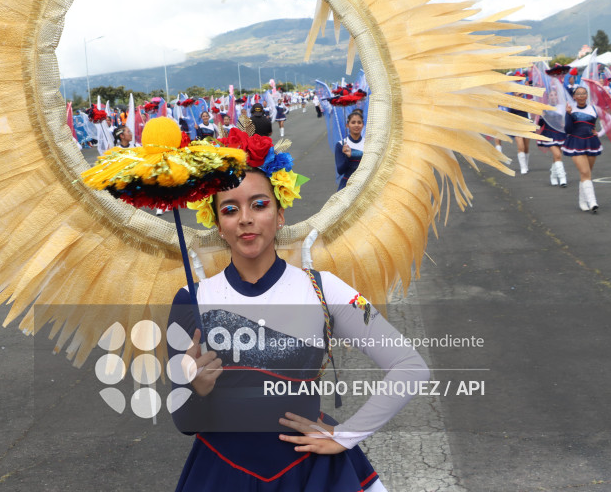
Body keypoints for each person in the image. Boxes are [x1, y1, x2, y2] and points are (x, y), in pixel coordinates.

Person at [172, 136, 428, 492]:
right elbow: (184, 422)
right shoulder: (191, 300)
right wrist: (194, 387)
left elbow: (410, 366)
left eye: (259, 205)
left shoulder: (326, 290)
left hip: (314, 474)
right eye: (230, 209)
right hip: (221, 475)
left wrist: (348, 435)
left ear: (280, 216)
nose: (245, 219)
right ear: (218, 225)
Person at [563, 86, 601, 212]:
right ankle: (593, 202)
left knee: (587, 173)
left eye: (584, 93)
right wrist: (568, 114)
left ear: (587, 95)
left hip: (591, 142)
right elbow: (568, 129)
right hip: (576, 143)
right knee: (585, 172)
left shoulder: (594, 108)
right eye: (578, 94)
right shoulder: (570, 109)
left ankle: (582, 200)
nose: (581, 96)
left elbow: (610, 121)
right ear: (574, 96)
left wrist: (599, 133)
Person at [334, 109, 365, 191]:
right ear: (347, 125)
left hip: (365, 185)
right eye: (353, 122)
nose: (356, 125)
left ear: (363, 125)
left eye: (359, 122)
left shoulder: (368, 144)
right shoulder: (341, 145)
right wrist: (347, 157)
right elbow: (340, 170)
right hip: (347, 186)